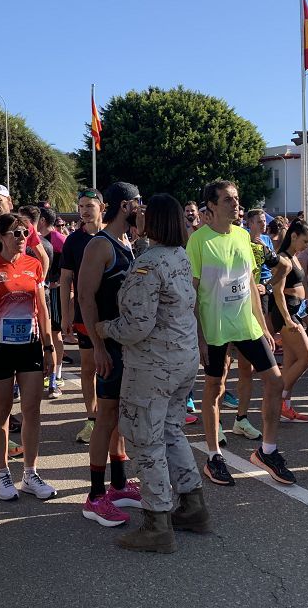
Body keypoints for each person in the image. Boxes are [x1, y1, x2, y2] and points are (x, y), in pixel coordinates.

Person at [95, 194, 210, 552]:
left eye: (144, 213)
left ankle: (157, 522)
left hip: (153, 367)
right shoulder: (179, 256)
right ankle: (192, 504)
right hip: (182, 361)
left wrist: (103, 328)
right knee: (172, 431)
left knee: (146, 439)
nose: (138, 216)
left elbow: (136, 327)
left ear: (156, 221)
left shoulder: (148, 265)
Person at [187, 180, 295, 487]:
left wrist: (264, 327)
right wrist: (200, 337)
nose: (235, 205)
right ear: (210, 207)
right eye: (228, 201)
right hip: (215, 328)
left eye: (236, 199)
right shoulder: (198, 241)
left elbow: (249, 283)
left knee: (275, 381)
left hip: (245, 323)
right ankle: (213, 456)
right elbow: (192, 294)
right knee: (214, 389)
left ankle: (268, 451)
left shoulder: (244, 235)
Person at [78, 182, 144, 527]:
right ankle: (94, 496)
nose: (142, 208)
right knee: (104, 419)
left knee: (118, 414)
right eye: (138, 203)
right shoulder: (99, 245)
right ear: (124, 206)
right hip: (108, 345)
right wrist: (98, 346)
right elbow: (85, 297)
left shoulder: (127, 241)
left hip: (126, 345)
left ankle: (118, 484)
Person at [0, 213, 57, 502]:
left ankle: (30, 474)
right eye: (16, 233)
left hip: (30, 346)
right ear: (1, 237)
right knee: (1, 412)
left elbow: (42, 309)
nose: (23, 238)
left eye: (26, 233)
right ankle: (2, 474)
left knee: (32, 411)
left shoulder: (34, 265)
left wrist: (49, 348)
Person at [60, 189, 106, 443]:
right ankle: (92, 418)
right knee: (88, 367)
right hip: (84, 315)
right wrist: (66, 315)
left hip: (112, 316)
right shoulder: (73, 241)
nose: (85, 210)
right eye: (81, 206)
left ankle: (114, 418)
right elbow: (66, 279)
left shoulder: (114, 236)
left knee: (114, 367)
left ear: (102, 207)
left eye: (90, 205)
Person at [269, 219, 308, 422]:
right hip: (286, 313)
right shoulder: (282, 258)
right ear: (294, 236)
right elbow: (277, 292)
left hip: (295, 311)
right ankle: (276, 398)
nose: (307, 246)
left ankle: (285, 406)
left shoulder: (294, 257)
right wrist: (288, 320)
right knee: (307, 359)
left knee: (290, 363)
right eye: (305, 241)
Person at [36, 206, 67, 397]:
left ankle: (57, 375)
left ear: (42, 220)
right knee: (42, 335)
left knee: (55, 334)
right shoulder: (35, 239)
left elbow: (72, 265)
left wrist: (60, 283)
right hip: (41, 291)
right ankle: (46, 374)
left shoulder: (58, 239)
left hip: (54, 291)